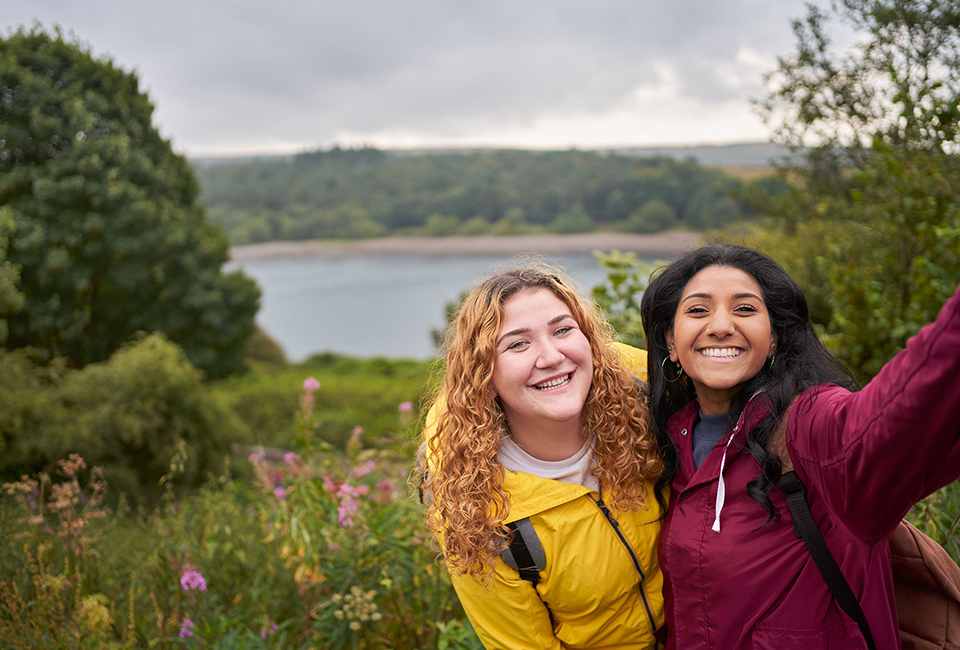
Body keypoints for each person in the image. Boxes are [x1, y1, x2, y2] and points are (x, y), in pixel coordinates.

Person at [639, 244, 960, 649]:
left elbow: (888, 425)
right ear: (670, 341)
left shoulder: (808, 423)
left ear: (773, 338)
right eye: (698, 310)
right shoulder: (667, 439)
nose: (720, 326)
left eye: (745, 309)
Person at [420, 264, 665, 650]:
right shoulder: (474, 506)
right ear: (483, 374)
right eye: (518, 344)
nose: (551, 356)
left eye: (563, 329)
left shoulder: (641, 391)